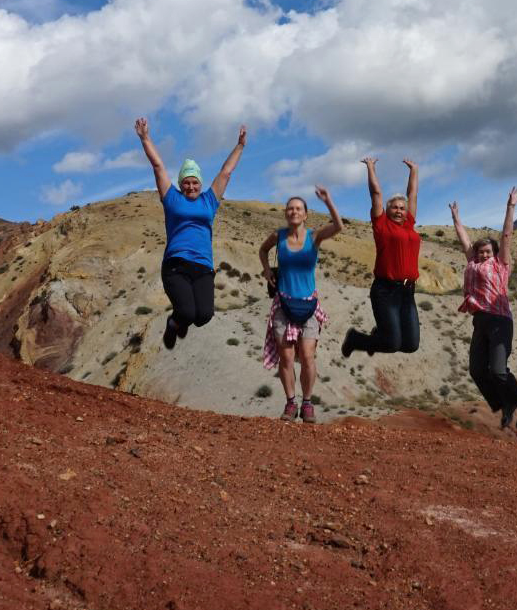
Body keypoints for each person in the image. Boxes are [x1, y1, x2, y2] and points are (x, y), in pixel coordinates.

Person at [134, 117, 246, 349]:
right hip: (176, 265)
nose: (191, 186)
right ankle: (174, 322)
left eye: (195, 182)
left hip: (203, 267)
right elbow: (158, 166)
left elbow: (225, 173)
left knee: (203, 316)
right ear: (180, 183)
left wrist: (240, 146)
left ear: (201, 183)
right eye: (186, 182)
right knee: (185, 311)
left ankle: (181, 321)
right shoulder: (172, 198)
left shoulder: (209, 201)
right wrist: (145, 138)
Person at [449, 188, 517, 429]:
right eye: (480, 251)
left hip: (499, 320)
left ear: (494, 254)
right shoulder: (472, 262)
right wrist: (456, 218)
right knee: (477, 370)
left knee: (497, 370)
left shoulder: (500, 265)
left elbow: (506, 235)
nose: (483, 254)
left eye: (487, 251)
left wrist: (511, 207)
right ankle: (504, 404)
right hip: (480, 321)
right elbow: (464, 239)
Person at [258, 186, 343, 422]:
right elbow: (263, 250)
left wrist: (328, 200)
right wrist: (267, 271)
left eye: (298, 209)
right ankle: (290, 403)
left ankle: (307, 403)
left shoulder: (314, 237)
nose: (294, 212)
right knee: (286, 358)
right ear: (286, 213)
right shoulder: (279, 236)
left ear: (305, 214)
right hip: (283, 303)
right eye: (290, 209)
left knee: (307, 356)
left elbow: (338, 226)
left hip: (308, 306)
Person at [341, 156, 422, 358]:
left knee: (411, 345)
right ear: (386, 210)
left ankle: (379, 335)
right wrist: (371, 167)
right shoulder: (381, 224)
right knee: (393, 343)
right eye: (394, 207)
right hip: (385, 290)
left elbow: (412, 194)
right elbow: (376, 193)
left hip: (407, 291)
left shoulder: (409, 224)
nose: (399, 211)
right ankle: (355, 339)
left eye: (402, 208)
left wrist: (414, 170)